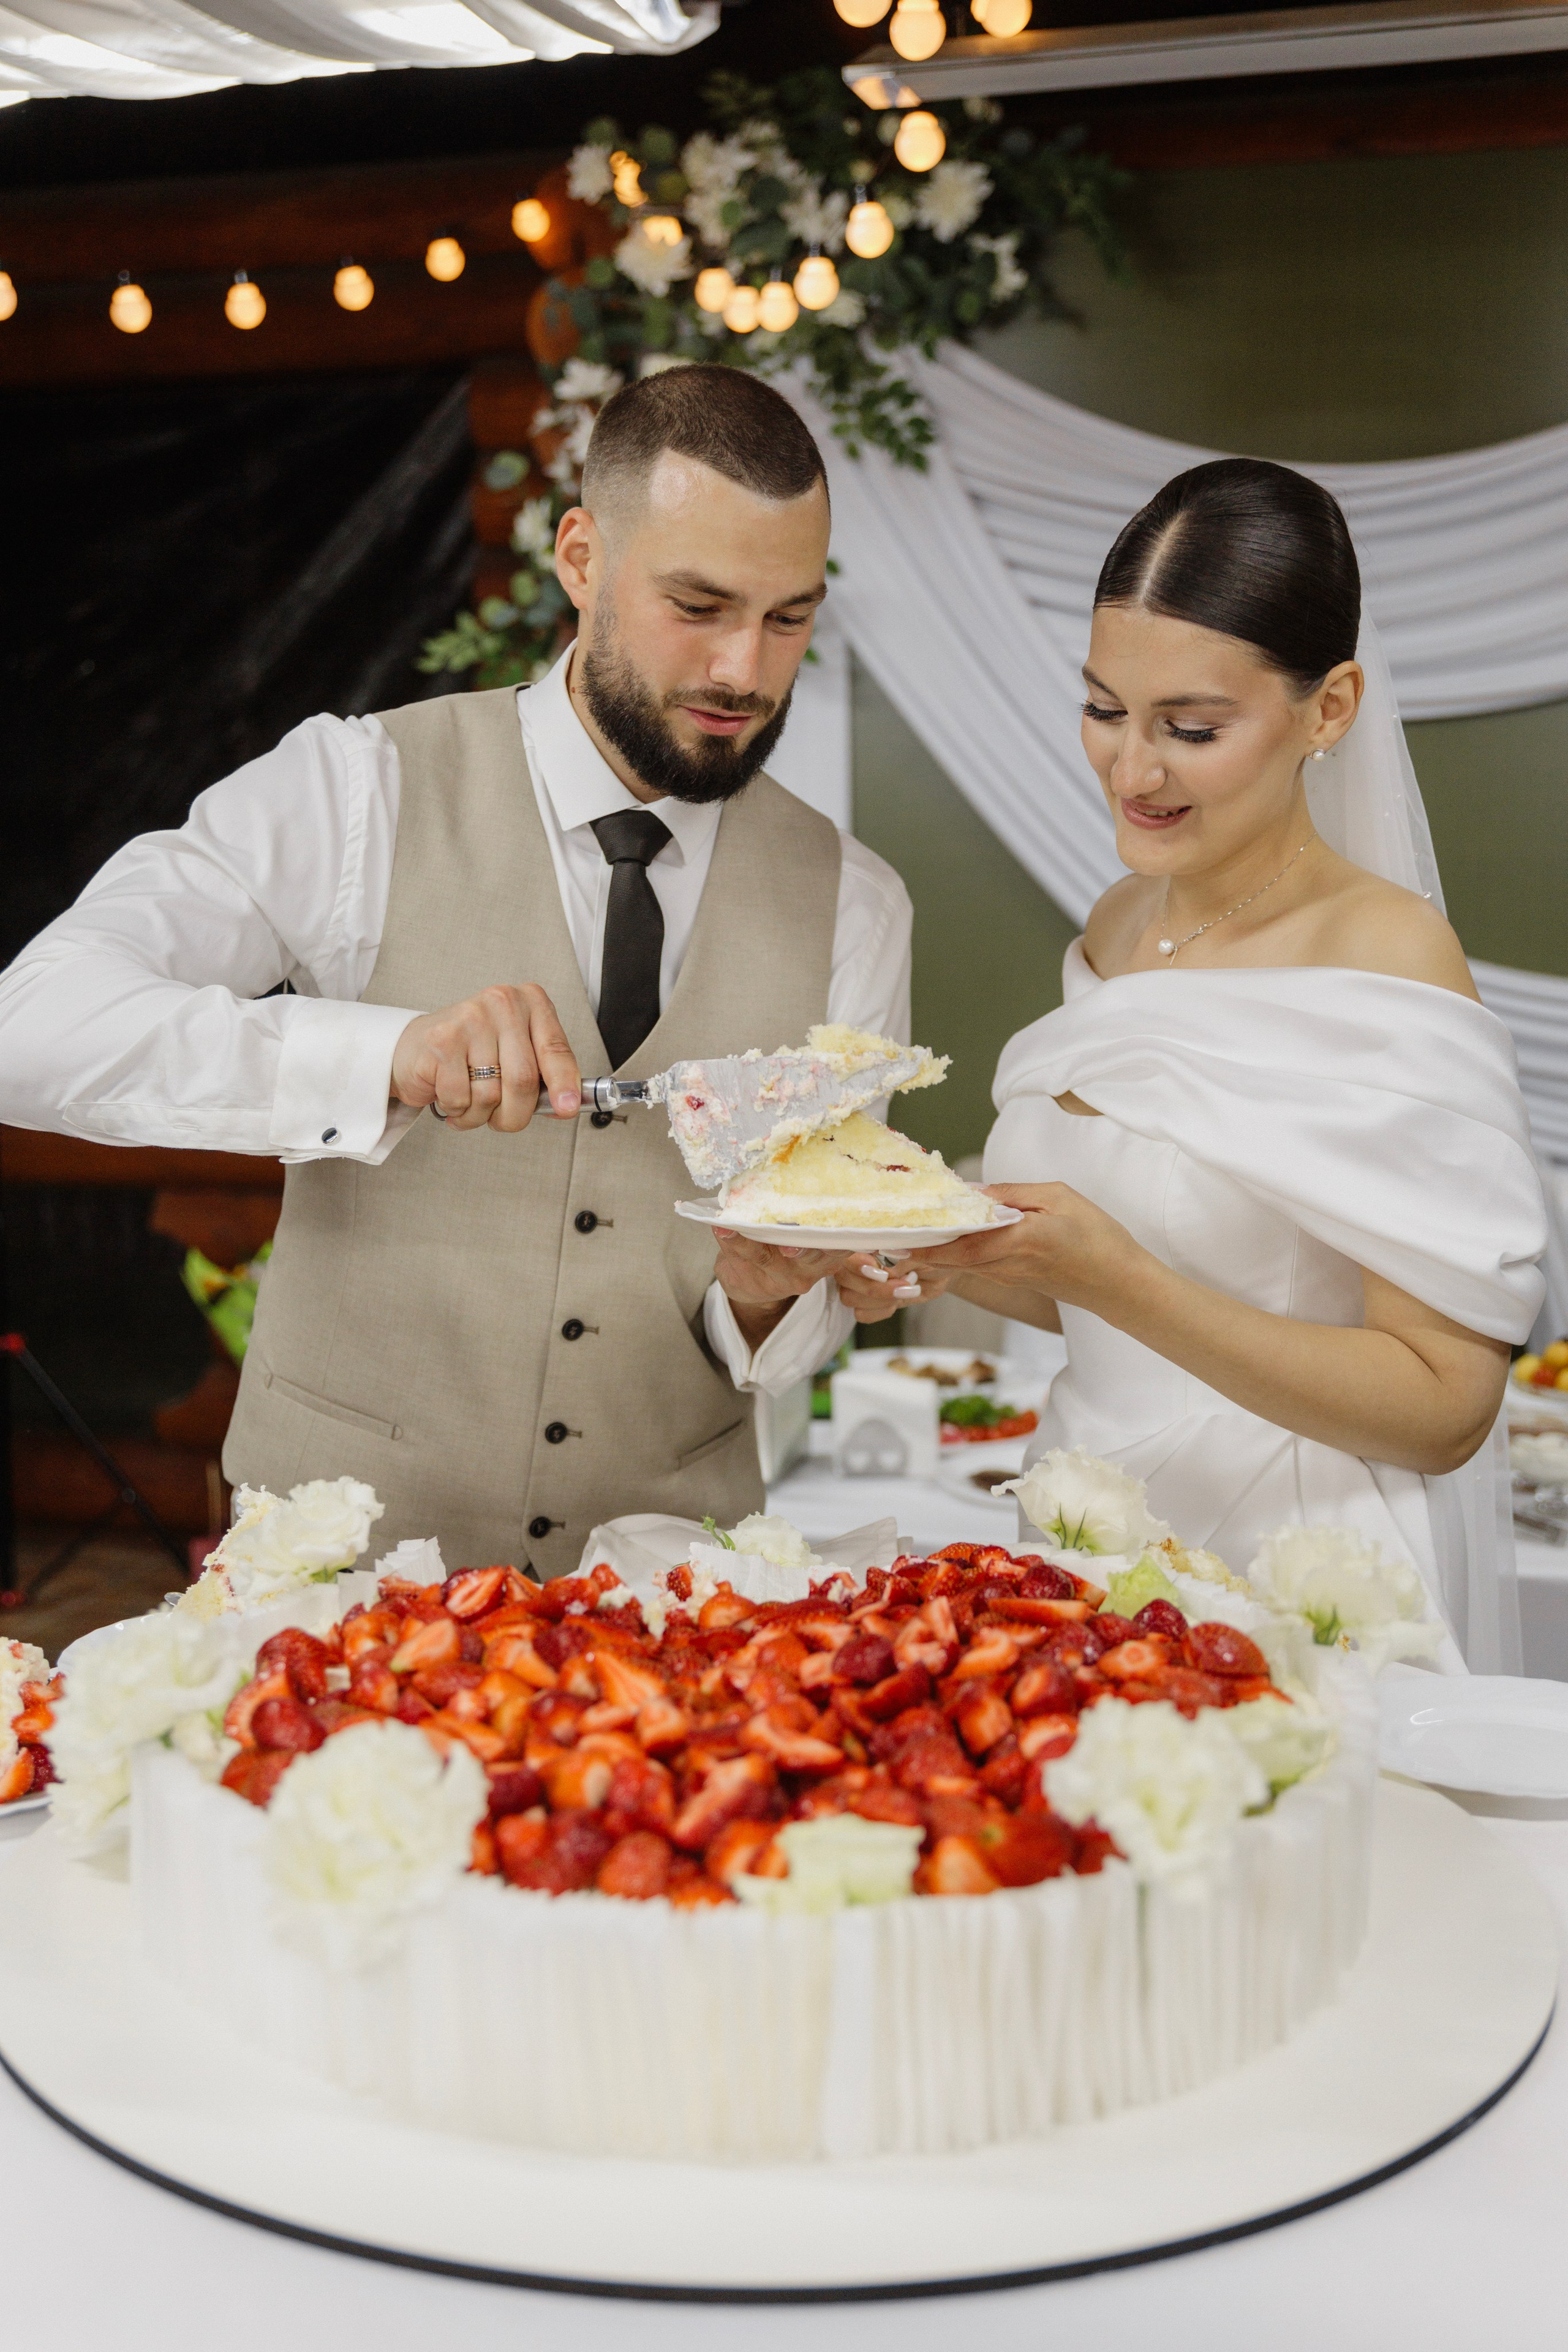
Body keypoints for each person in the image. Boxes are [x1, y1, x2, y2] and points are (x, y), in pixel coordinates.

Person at [0, 365, 910, 1572]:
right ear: (580, 558)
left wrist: (763, 1288)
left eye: (787, 618)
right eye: (698, 605)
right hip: (340, 1585)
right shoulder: (352, 792)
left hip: (663, 1598)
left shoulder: (855, 905)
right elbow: (36, 1027)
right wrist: (379, 1052)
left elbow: (783, 1344)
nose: (744, 671)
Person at [834, 458, 1545, 1670]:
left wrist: (1118, 1281)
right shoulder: (1119, 923)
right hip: (1084, 1552)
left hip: (1298, 1590)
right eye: (1104, 709)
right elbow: (1088, 1280)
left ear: (1328, 711)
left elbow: (1442, 1410)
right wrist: (923, 1249)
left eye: (1191, 729)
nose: (1131, 770)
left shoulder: (1384, 953)